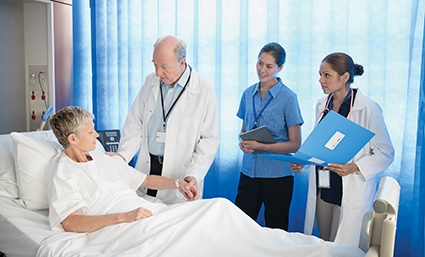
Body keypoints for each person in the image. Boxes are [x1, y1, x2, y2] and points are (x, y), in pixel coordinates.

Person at [41, 106, 364, 257]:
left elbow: (142, 178)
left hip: (143, 211)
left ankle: (310, 252)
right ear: (72, 138)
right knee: (203, 231)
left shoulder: (101, 157)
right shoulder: (62, 171)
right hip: (122, 223)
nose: (97, 135)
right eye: (90, 132)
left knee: (220, 210)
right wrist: (124, 217)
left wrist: (179, 182)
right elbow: (70, 222)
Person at [289, 52, 394, 247]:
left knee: (343, 246)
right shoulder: (322, 105)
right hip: (324, 187)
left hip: (350, 186)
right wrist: (302, 162)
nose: (321, 80)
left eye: (326, 75)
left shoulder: (368, 107)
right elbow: (320, 146)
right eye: (320, 74)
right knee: (324, 243)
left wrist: (354, 167)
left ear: (344, 77)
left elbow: (386, 152)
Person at [113, 35, 219, 205]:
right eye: (154, 64)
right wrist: (122, 156)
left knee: (175, 226)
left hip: (180, 175)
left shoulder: (203, 90)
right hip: (148, 168)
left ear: (181, 62)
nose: (157, 72)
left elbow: (209, 140)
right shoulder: (151, 82)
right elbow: (135, 124)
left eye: (164, 67)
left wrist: (193, 175)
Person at [236, 42, 304, 230]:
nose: (262, 70)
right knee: (240, 226)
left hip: (278, 176)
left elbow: (295, 144)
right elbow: (244, 130)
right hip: (249, 173)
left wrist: (262, 146)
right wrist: (243, 143)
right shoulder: (247, 94)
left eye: (268, 66)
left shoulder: (288, 97)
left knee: (276, 228)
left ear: (280, 68)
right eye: (259, 63)